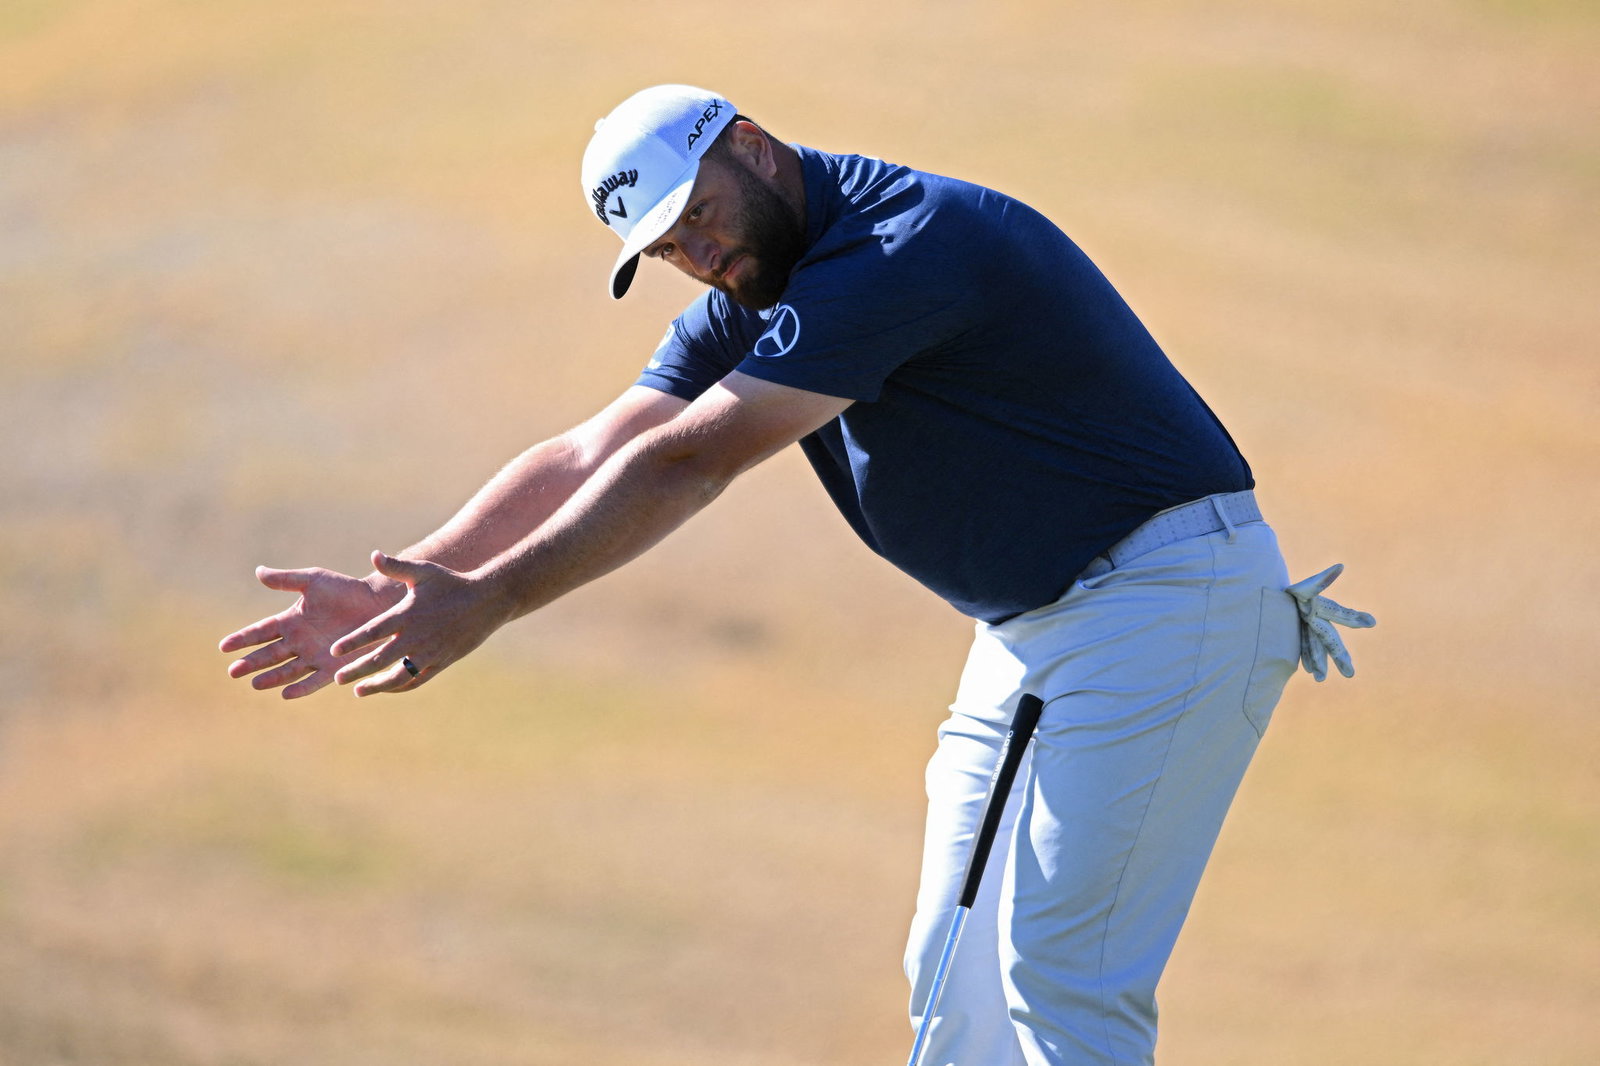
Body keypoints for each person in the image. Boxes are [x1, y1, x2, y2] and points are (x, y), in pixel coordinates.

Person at [219, 84, 1374, 1065]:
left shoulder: (895, 246)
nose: (695, 256)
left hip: (1164, 604)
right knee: (952, 974)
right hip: (1038, 629)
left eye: (699, 218)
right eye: (666, 248)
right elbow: (595, 448)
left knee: (1059, 975)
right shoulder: (757, 287)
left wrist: (494, 602)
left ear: (754, 148)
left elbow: (692, 459)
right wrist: (423, 577)